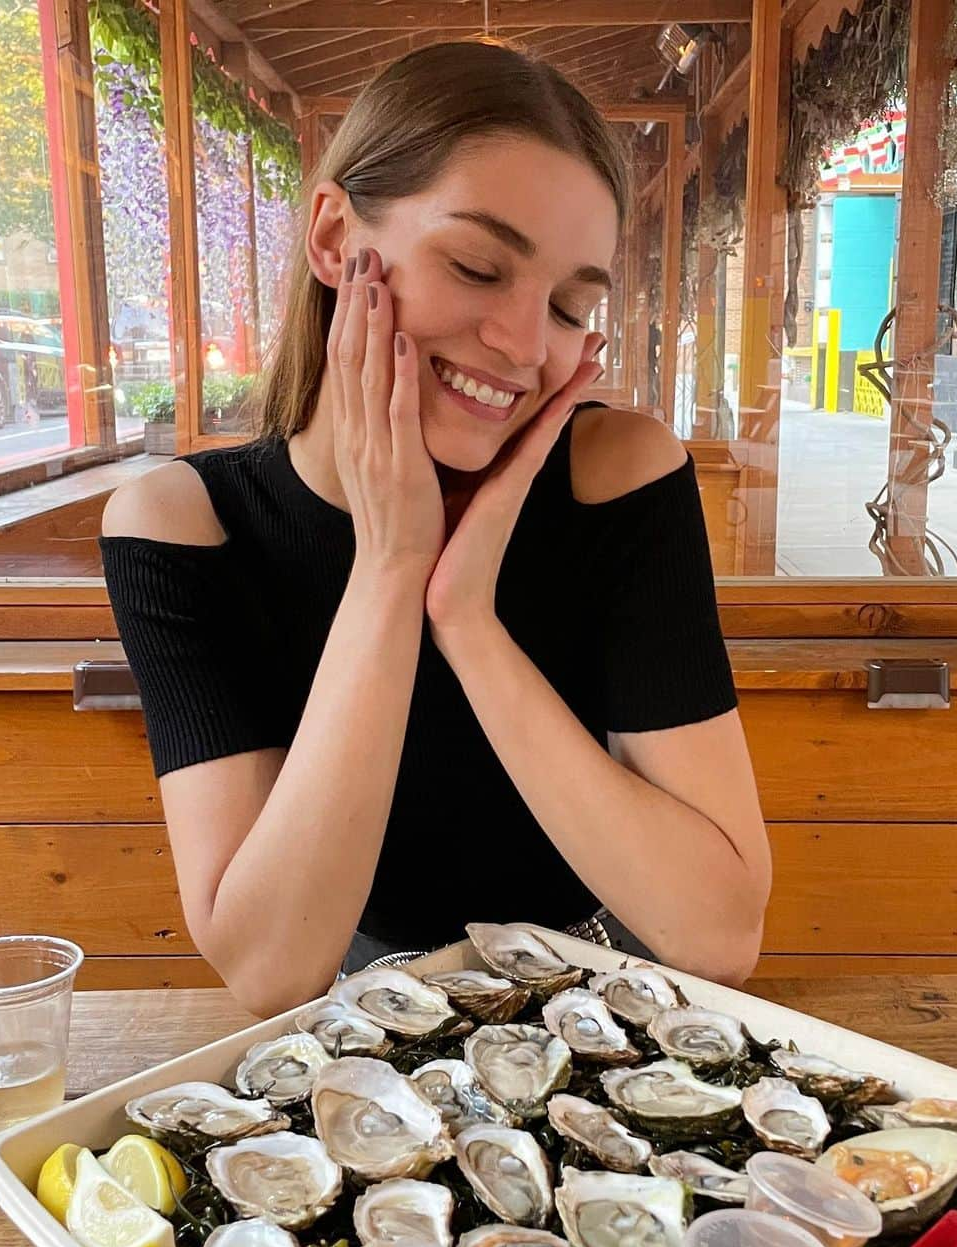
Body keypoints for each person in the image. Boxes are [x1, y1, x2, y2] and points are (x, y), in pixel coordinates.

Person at [100, 40, 771, 1019]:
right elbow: (270, 967)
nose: (526, 342)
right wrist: (390, 569)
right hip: (349, 1009)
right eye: (476, 265)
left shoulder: (617, 475)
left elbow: (717, 938)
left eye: (572, 305)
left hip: (609, 982)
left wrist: (466, 619)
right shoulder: (183, 525)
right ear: (333, 237)